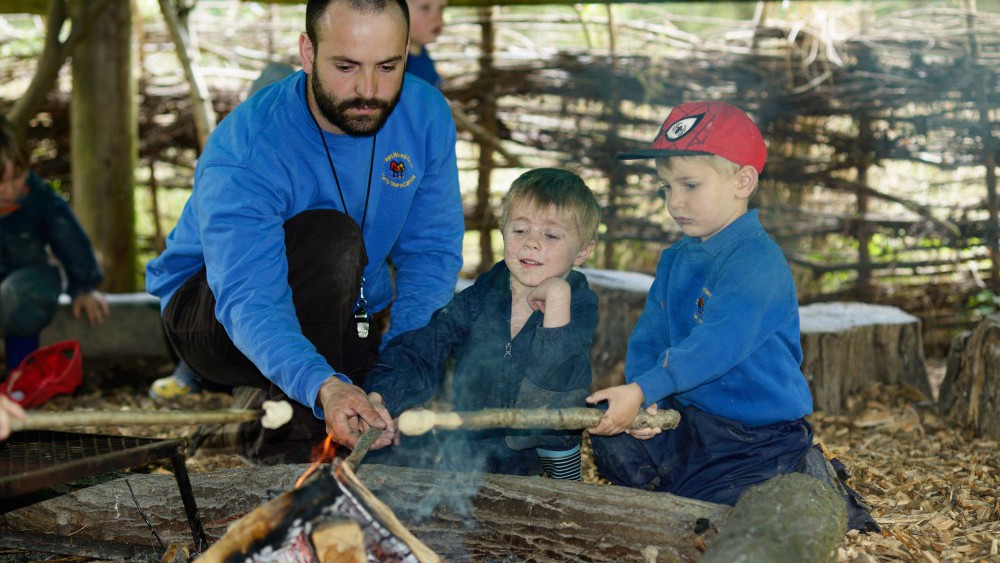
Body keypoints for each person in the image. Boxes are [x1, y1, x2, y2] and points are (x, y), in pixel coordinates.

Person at [145, 0, 465, 464]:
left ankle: (293, 395)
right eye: (346, 66)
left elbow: (431, 253)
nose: (369, 90)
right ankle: (289, 448)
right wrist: (323, 385)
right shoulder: (248, 147)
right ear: (308, 53)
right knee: (332, 241)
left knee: (391, 433)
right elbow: (249, 296)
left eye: (388, 66)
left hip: (347, 305)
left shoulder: (424, 115)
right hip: (212, 312)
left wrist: (400, 371)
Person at [586, 101, 816, 505]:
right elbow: (651, 337)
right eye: (666, 188)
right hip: (689, 420)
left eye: (690, 186)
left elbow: (714, 347)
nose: (675, 202)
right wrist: (646, 402)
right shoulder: (676, 258)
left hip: (754, 435)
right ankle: (670, 493)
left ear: (742, 182)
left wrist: (643, 388)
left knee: (702, 506)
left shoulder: (757, 262)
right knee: (608, 434)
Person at [365, 168, 600, 480]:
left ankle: (568, 484)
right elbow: (424, 345)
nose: (531, 243)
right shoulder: (479, 299)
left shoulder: (580, 303)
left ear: (583, 250)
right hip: (471, 444)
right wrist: (383, 395)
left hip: (539, 448)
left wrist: (558, 299)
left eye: (551, 235)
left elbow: (552, 379)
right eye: (520, 231)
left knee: (562, 413)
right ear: (503, 230)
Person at [0, 116, 109, 374]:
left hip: (27, 278)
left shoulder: (40, 200)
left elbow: (69, 239)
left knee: (18, 295)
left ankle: (22, 374)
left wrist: (83, 285)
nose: (8, 189)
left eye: (16, 177)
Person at [404, 0, 446, 88]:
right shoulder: (396, 65)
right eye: (425, 8)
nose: (437, 18)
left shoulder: (423, 55)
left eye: (441, 8)